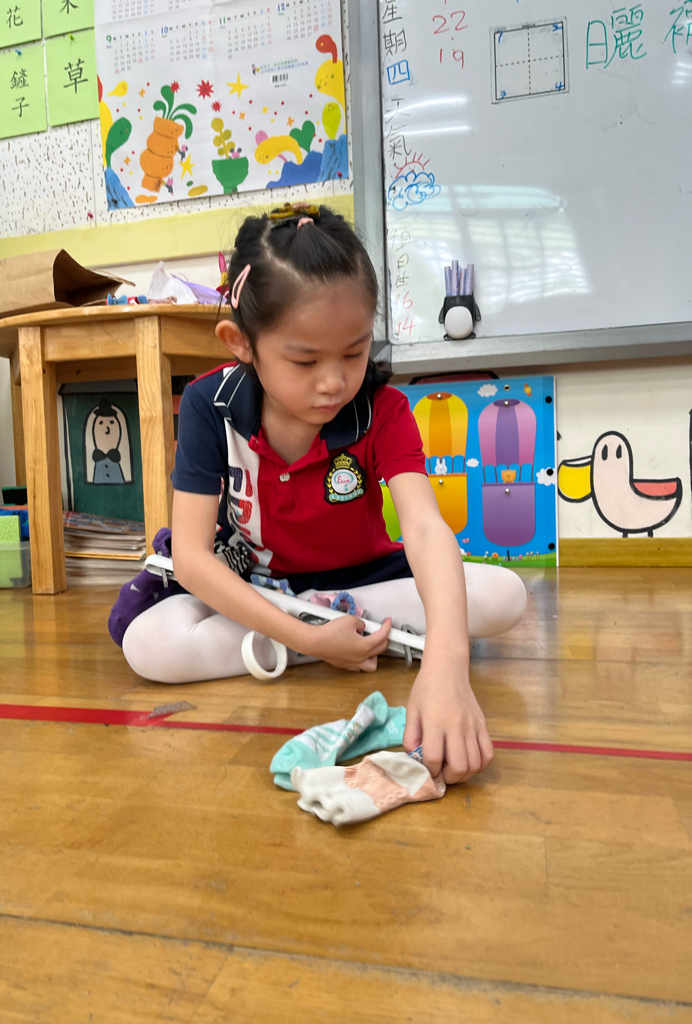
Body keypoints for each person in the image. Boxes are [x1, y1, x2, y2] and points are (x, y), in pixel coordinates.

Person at [109, 203, 527, 786]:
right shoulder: (209, 406)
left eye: (355, 352)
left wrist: (447, 666)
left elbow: (425, 528)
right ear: (241, 342)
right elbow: (194, 559)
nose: (334, 381)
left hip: (366, 584)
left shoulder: (384, 411)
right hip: (266, 591)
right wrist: (308, 636)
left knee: (504, 594)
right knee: (149, 644)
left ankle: (342, 639)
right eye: (304, 360)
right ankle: (347, 642)